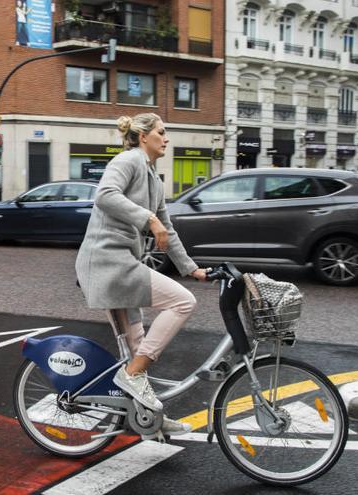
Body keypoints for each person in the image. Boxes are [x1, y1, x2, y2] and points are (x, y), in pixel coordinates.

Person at [75, 113, 208, 435]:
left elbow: (169, 229)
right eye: (162, 133)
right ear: (143, 136)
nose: (166, 139)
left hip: (121, 262)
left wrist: (191, 268)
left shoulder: (154, 178)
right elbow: (105, 195)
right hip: (107, 261)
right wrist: (149, 219)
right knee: (181, 302)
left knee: (137, 347)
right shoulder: (128, 160)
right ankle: (132, 377)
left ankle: (151, 417)